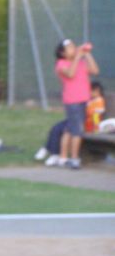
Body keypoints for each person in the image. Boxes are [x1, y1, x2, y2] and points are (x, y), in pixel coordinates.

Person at [34, 81, 106, 167]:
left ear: (97, 91)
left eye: (90, 91)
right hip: (76, 119)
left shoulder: (99, 101)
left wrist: (95, 128)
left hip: (83, 123)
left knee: (66, 130)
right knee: (56, 128)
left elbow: (95, 117)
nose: (88, 93)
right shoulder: (90, 100)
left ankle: (53, 152)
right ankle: (49, 150)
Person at [54, 39, 99, 170]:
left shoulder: (81, 63)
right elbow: (71, 74)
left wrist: (87, 54)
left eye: (74, 46)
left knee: (69, 129)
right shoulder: (61, 64)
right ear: (62, 53)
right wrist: (78, 57)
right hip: (73, 102)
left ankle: (63, 157)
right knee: (77, 131)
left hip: (83, 100)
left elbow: (95, 70)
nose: (74, 49)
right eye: (70, 48)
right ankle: (74, 159)